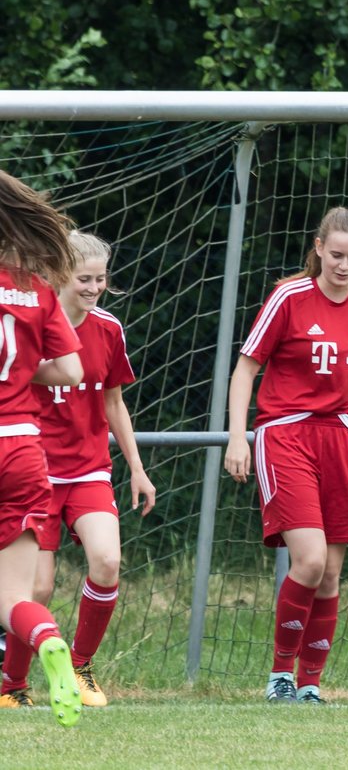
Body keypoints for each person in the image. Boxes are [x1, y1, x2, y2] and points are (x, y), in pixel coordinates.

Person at [224, 207, 348, 705]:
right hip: (285, 434)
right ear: (318, 248)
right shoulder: (289, 297)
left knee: (333, 571)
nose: (344, 265)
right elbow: (246, 368)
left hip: (340, 438)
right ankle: (280, 676)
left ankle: (311, 682)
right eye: (335, 255)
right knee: (310, 561)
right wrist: (237, 437)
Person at [1, 231, 156, 710]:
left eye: (100, 279)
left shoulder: (108, 329)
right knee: (37, 586)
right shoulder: (32, 316)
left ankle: (81, 666)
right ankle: (13, 684)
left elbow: (114, 401)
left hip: (88, 468)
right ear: (60, 277)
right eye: (84, 279)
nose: (93, 288)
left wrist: (137, 467)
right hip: (36, 467)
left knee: (108, 562)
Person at [0, 169, 85, 726]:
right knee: (13, 597)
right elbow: (72, 370)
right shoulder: (36, 288)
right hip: (22, 451)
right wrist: (24, 367)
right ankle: (50, 638)